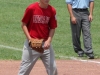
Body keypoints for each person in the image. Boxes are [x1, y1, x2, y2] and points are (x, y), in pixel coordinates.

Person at [18, 0, 58, 75]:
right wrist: (30, 39)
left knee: (53, 69)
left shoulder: (52, 10)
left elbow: (53, 28)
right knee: (24, 71)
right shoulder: (31, 8)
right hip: (32, 44)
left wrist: (48, 41)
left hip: (45, 45)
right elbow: (24, 25)